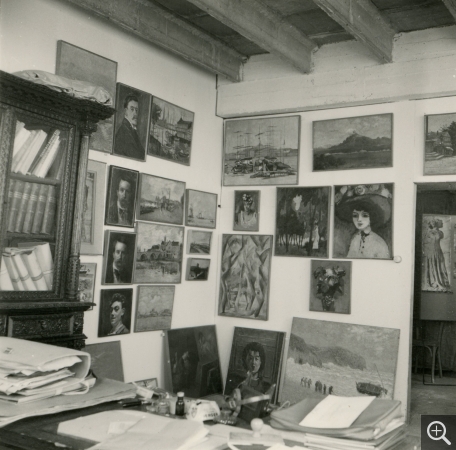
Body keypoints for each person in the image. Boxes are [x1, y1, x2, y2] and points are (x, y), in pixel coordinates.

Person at [335, 185, 392, 259]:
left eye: (364, 215)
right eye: (355, 216)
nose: (359, 219)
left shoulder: (379, 243)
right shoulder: (355, 239)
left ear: (371, 217)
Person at [113, 93, 146, 160]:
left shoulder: (132, 131)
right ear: (125, 111)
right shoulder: (123, 132)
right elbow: (137, 157)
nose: (135, 113)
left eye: (136, 110)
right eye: (132, 109)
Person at [422, 217, 451, 291]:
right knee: (432, 264)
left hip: (438, 250)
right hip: (430, 251)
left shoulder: (440, 233)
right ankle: (433, 281)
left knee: (439, 265)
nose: (441, 224)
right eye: (440, 222)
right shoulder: (428, 233)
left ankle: (439, 281)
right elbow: (425, 243)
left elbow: (439, 237)